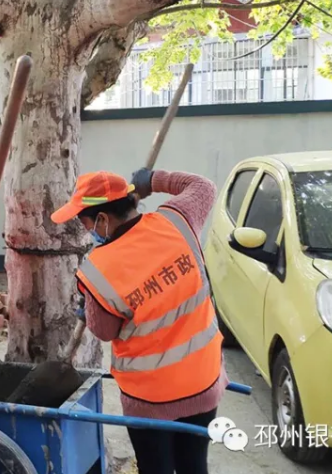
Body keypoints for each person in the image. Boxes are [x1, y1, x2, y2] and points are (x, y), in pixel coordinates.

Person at [50, 168, 228, 474]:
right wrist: (155, 180)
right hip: (203, 379)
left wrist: (90, 305)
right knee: (194, 464)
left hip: (150, 398)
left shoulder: (97, 270)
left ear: (103, 219)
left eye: (85, 220)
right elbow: (204, 186)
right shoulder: (176, 219)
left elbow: (104, 331)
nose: (84, 227)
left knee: (155, 467)